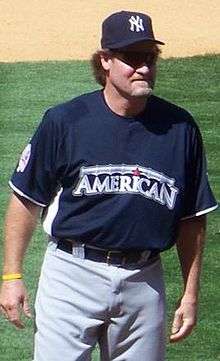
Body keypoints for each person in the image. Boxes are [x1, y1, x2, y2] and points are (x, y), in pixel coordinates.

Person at [0, 10, 218, 361]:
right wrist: (11, 275)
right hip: (72, 277)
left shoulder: (180, 128)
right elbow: (26, 200)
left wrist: (190, 294)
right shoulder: (65, 121)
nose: (144, 67)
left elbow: (192, 218)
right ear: (105, 61)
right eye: (132, 58)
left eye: (150, 57)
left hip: (144, 280)